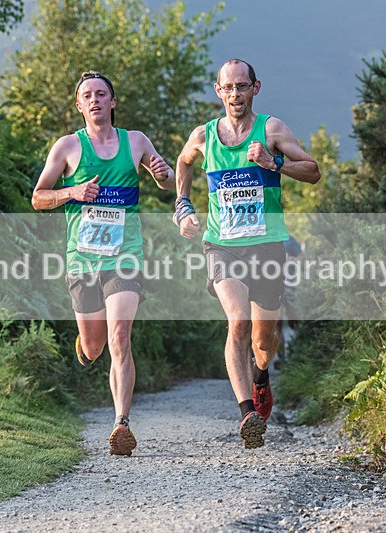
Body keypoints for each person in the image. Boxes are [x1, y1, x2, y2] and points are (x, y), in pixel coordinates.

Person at [173, 59, 320, 449]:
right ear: (218, 91)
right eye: (228, 87)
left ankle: (261, 376)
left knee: (263, 340)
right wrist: (182, 206)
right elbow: (183, 163)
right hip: (222, 245)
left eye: (243, 86)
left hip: (267, 245)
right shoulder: (204, 136)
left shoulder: (271, 129)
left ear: (256, 88)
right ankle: (247, 414)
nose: (235, 94)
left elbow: (313, 170)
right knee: (236, 321)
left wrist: (274, 163)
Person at [32, 71, 175, 456]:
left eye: (101, 94)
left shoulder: (136, 142)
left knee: (119, 337)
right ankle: (85, 343)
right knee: (95, 347)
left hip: (124, 255)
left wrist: (164, 175)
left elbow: (169, 181)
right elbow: (38, 197)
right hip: (82, 258)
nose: (94, 100)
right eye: (87, 96)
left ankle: (121, 423)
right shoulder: (67, 147)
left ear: (113, 102)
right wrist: (73, 191)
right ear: (79, 105)